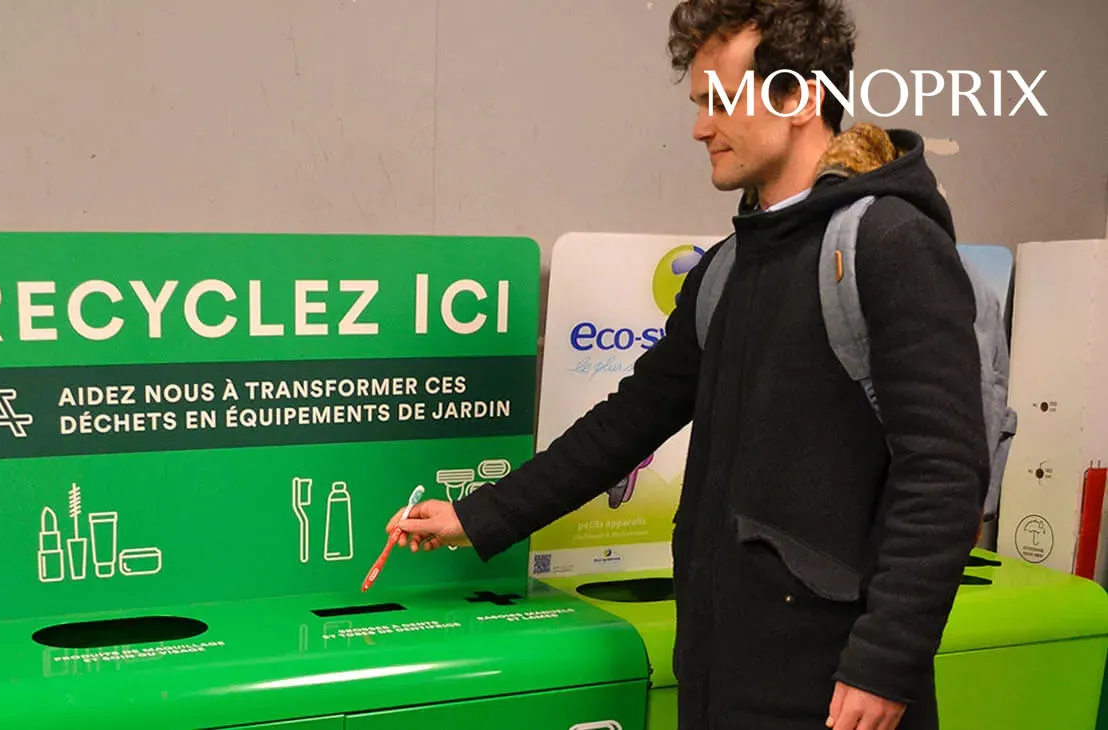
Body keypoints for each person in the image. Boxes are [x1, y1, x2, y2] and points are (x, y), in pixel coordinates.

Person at [385, 1, 989, 729]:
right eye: (700, 103)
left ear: (799, 98)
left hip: (839, 688)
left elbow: (944, 471)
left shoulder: (890, 245)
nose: (702, 127)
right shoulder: (728, 268)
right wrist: (477, 515)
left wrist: (885, 663)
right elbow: (627, 422)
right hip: (717, 669)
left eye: (722, 101)